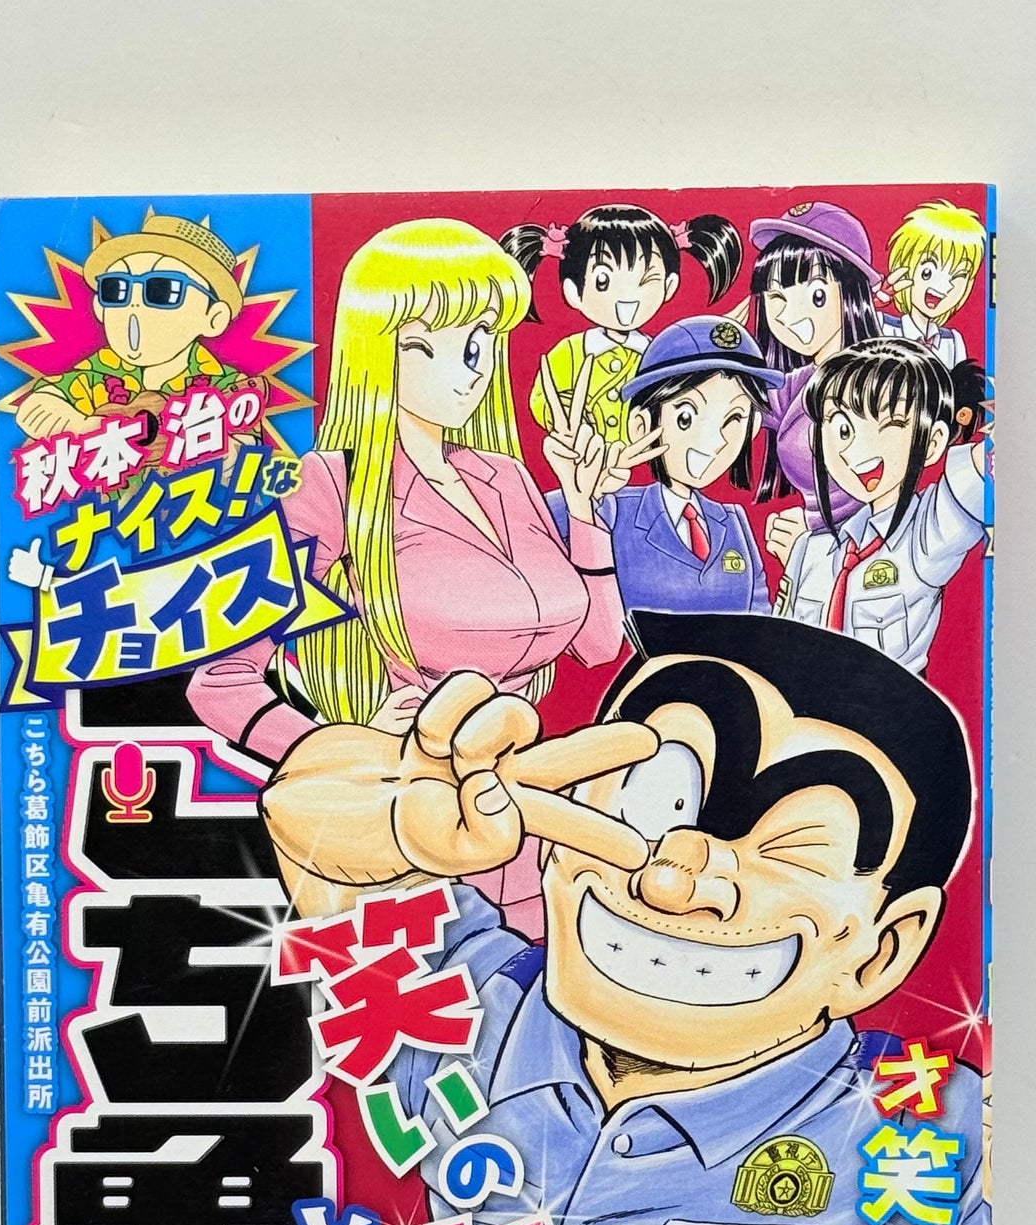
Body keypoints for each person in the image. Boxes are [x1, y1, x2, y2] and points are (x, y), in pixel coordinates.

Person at [258, 611, 988, 1225]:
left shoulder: (893, 1108)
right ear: (553, 835)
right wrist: (388, 816)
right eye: (653, 800)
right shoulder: (469, 1009)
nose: (677, 874)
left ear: (880, 949)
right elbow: (329, 861)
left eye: (790, 851)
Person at [186, 216, 635, 937]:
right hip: (416, 824)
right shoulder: (333, 485)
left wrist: (583, 511)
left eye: (481, 340)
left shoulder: (505, 476)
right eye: (430, 343)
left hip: (532, 807)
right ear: (378, 351)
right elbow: (220, 680)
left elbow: (595, 646)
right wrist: (341, 747)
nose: (471, 368)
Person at [768, 338, 989, 677]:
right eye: (843, 428)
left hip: (890, 706)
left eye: (890, 425)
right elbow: (777, 645)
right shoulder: (809, 551)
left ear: (932, 443)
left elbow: (979, 471)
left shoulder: (926, 534)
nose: (857, 450)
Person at [545, 316, 774, 616]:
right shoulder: (612, 509)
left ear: (752, 428)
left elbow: (761, 621)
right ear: (641, 425)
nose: (714, 440)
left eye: (734, 419)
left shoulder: (734, 523)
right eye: (686, 417)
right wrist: (581, 496)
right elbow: (530, 530)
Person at [498, 204, 741, 447]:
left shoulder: (659, 354)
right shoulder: (571, 351)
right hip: (582, 455)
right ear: (573, 292)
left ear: (669, 286)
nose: (627, 297)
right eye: (603, 281)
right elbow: (541, 397)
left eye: (647, 279)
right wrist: (564, 415)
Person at [12, 208, 248, 440]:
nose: (134, 304)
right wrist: (92, 428)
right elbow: (35, 408)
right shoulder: (96, 375)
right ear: (100, 307)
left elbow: (247, 447)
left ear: (214, 318)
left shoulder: (227, 385)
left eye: (163, 289)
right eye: (115, 289)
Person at [742, 201, 886, 537]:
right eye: (776, 298)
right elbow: (740, 404)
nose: (790, 315)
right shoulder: (798, 385)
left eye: (816, 294)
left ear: (851, 293)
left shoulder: (880, 385)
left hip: (868, 540)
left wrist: (817, 524)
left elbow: (889, 478)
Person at [879, 200, 987, 369]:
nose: (943, 287)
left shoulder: (952, 341)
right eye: (928, 271)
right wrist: (868, 303)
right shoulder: (883, 326)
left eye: (958, 276)